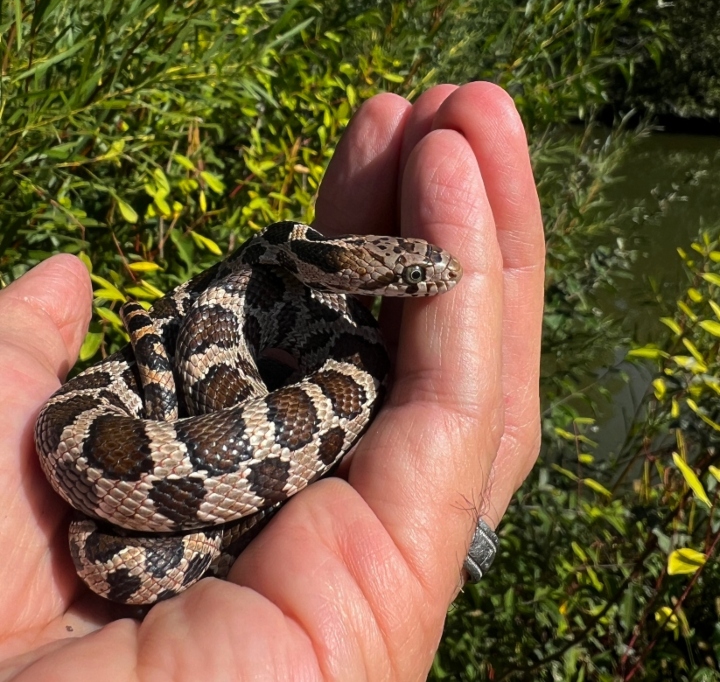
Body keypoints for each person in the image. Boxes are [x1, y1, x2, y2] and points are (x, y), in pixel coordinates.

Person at [0, 82, 544, 681]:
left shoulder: (321, 307)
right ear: (361, 268)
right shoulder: (269, 277)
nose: (427, 279)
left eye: (413, 270)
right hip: (138, 515)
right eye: (412, 275)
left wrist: (453, 547)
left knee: (349, 353)